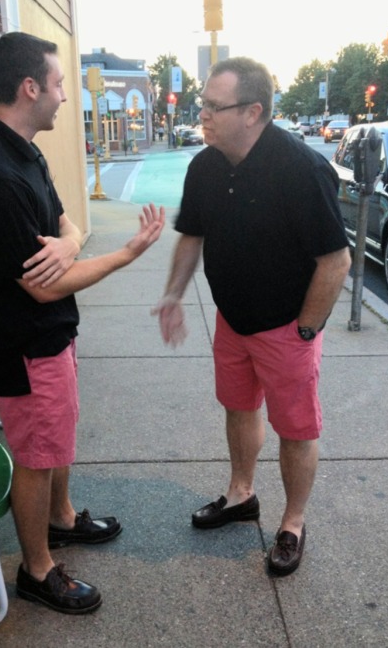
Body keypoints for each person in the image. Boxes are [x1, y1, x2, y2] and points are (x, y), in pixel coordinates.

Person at [0, 31, 165, 615]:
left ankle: (62, 520)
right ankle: (37, 569)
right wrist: (124, 255)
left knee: (55, 437)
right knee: (37, 454)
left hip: (49, 335)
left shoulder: (24, 151)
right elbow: (42, 285)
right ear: (30, 87)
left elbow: (66, 227)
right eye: (59, 83)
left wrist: (68, 244)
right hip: (21, 345)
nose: (66, 95)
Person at [153, 57, 350, 576]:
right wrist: (173, 295)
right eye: (203, 105)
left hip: (286, 325)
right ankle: (241, 494)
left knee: (296, 429)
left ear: (254, 111)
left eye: (214, 107)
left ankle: (292, 523)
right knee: (238, 408)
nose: (204, 116)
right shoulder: (205, 165)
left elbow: (336, 261)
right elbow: (191, 235)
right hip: (232, 322)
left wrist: (306, 329)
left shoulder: (302, 170)